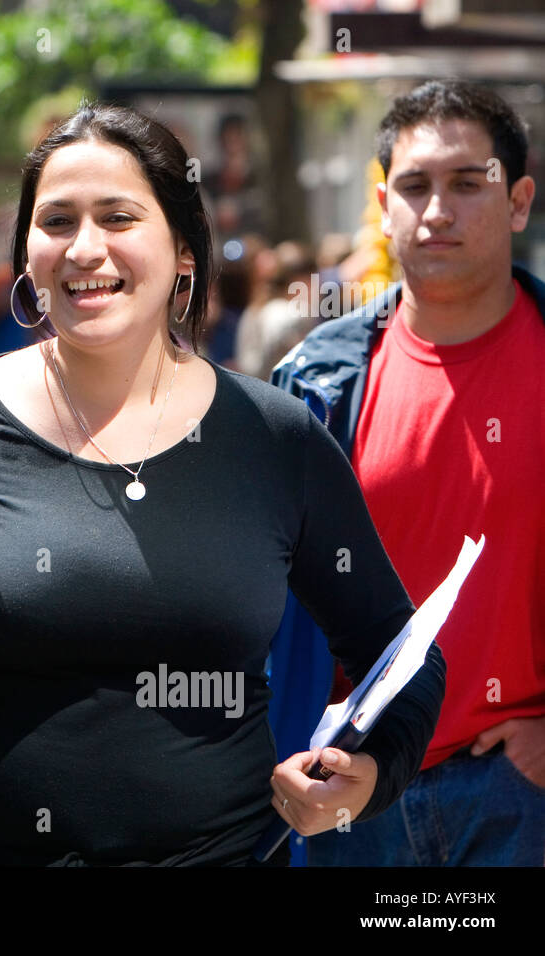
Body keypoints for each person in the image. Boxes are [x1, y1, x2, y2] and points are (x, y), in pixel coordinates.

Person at [0, 103, 445, 866]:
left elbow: (403, 650)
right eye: (57, 222)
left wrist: (366, 781)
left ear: (183, 250)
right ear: (26, 253)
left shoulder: (274, 436)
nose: (86, 248)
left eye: (118, 217)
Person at [272, 80, 545, 866]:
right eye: (416, 187)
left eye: (469, 183)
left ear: (519, 200)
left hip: (518, 793)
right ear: (386, 206)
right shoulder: (315, 383)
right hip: (349, 797)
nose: (438, 210)